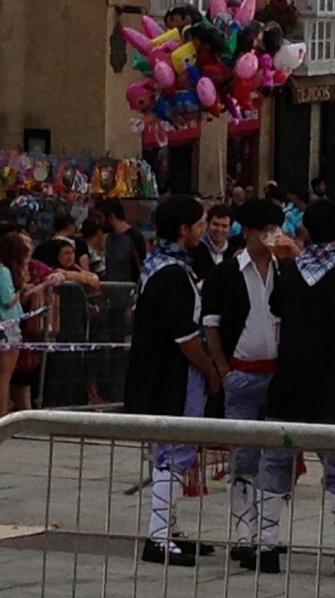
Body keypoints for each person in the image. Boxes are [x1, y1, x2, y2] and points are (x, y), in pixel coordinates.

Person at [247, 200, 335, 579]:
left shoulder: (287, 273)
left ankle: (268, 545)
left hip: (291, 381)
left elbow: (277, 327)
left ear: (303, 230)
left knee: (275, 464)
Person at [124, 196, 220, 567]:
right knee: (173, 454)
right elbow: (185, 337)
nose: (204, 230)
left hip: (160, 371)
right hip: (174, 376)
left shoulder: (157, 265)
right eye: (199, 224)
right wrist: (211, 370)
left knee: (171, 452)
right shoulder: (173, 274)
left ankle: (170, 529)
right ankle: (160, 535)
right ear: (184, 229)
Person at [201, 199, 286, 560]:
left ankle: (267, 532)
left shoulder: (286, 270)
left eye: (275, 230)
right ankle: (242, 530)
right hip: (241, 370)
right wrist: (223, 370)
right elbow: (211, 325)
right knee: (243, 458)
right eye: (264, 230)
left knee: (276, 458)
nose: (271, 237)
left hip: (279, 374)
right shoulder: (227, 273)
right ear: (248, 231)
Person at [0, 233, 62, 426]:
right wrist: (25, 289)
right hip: (6, 326)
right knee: (3, 376)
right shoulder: (2, 272)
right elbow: (8, 300)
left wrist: (28, 288)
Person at [101, 200, 147, 284]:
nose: (99, 222)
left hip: (129, 290)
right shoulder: (108, 238)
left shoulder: (133, 236)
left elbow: (142, 267)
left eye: (101, 217)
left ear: (111, 216)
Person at [188, 204, 235, 282]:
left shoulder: (233, 253)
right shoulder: (194, 249)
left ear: (230, 228)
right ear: (207, 224)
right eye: (215, 224)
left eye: (224, 226)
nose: (219, 229)